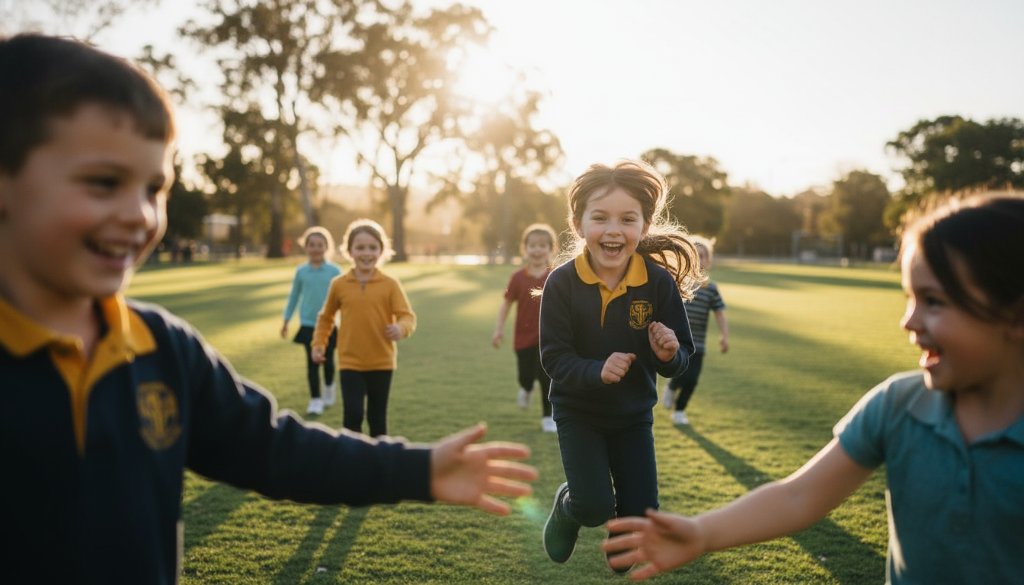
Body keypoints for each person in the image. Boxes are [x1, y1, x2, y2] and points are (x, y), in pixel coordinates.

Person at [0, 33, 537, 584]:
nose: (139, 214)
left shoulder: (160, 346)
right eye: (103, 183)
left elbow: (272, 447)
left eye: (155, 187)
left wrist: (417, 468)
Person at [603, 192, 1024, 583]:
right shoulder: (898, 405)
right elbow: (799, 497)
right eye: (909, 299)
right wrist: (701, 532)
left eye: (933, 301)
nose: (908, 322)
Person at [539, 160, 703, 571]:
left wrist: (669, 354)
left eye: (628, 219)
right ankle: (568, 505)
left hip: (633, 417)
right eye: (600, 218)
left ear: (644, 227)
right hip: (579, 414)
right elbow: (553, 357)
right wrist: (597, 370)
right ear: (578, 224)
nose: (613, 230)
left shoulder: (657, 283)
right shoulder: (561, 283)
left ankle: (620, 527)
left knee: (638, 522)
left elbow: (681, 357)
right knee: (594, 506)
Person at [312, 218, 414, 438]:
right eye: (360, 247)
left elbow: (407, 316)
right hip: (350, 362)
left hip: (382, 362)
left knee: (377, 419)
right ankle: (353, 467)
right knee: (352, 417)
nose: (366, 253)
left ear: (381, 251)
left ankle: (380, 468)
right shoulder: (339, 284)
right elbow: (326, 317)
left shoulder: (390, 284)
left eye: (372, 247)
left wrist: (400, 328)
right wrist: (319, 343)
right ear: (349, 251)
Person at [492, 223, 558, 432]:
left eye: (542, 245)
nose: (537, 250)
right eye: (533, 245)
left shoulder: (556, 276)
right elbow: (506, 305)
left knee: (547, 377)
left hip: (550, 339)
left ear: (551, 249)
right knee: (526, 376)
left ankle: (548, 417)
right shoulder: (518, 278)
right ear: (525, 248)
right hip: (523, 339)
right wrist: (498, 329)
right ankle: (526, 388)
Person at [660, 235, 729, 425]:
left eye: (703, 256)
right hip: (677, 340)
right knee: (679, 372)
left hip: (697, 343)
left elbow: (720, 313)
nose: (699, 260)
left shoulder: (711, 288)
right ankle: (672, 387)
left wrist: (724, 336)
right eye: (695, 255)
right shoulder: (677, 282)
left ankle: (680, 411)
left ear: (708, 260)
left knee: (692, 379)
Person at [281, 226, 342, 415]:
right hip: (308, 324)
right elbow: (294, 296)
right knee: (312, 363)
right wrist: (286, 320)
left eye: (320, 245)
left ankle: (329, 388)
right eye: (312, 245)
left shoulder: (334, 270)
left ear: (327, 247)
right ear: (306, 247)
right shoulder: (301, 272)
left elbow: (342, 298)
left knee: (329, 361)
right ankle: (315, 399)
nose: (316, 248)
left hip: (330, 324)